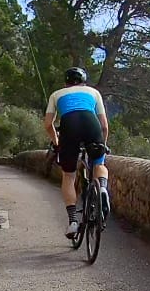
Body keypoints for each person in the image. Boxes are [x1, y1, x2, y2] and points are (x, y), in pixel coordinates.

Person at [43, 67, 110, 239]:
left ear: (65, 82)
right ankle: (102, 187)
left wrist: (57, 142)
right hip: (91, 123)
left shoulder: (56, 94)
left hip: (69, 126)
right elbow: (104, 125)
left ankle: (73, 221)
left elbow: (48, 124)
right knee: (99, 164)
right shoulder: (93, 92)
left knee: (69, 176)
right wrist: (104, 144)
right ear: (84, 81)